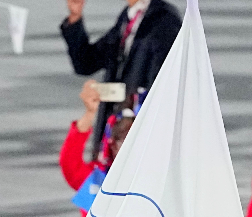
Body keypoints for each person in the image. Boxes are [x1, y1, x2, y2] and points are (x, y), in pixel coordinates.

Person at [59, 0, 180, 164]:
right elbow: (85, 62)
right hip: (116, 134)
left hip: (139, 140)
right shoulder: (129, 18)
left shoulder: (164, 19)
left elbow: (165, 82)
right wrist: (75, 17)